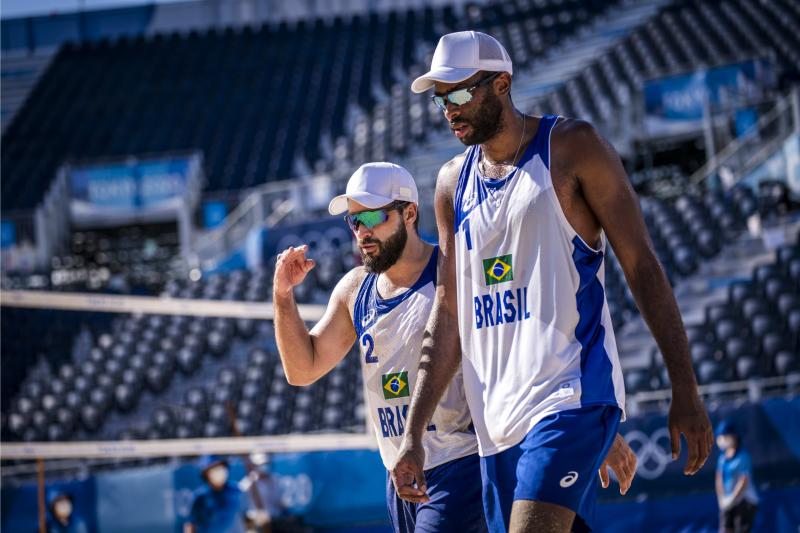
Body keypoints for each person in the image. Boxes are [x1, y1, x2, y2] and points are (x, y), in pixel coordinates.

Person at [392, 31, 713, 533]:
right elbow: (449, 315)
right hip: (497, 422)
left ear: (502, 83)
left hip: (569, 397)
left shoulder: (571, 147)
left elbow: (642, 266)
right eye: (440, 99)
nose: (448, 109)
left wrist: (685, 386)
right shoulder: (451, 184)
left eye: (458, 93)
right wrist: (414, 432)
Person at [273, 162, 638, 532]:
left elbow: (524, 344)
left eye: (373, 216)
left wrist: (586, 420)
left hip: (463, 460)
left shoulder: (455, 271)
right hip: (401, 471)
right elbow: (303, 369)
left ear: (410, 213)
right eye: (354, 221)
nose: (363, 231)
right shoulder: (355, 289)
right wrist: (283, 297)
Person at [184, 455, 269, 533]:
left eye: (221, 467)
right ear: (206, 473)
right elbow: (190, 525)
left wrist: (256, 518)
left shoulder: (236, 490)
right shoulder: (200, 498)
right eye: (214, 468)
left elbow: (245, 518)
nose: (219, 471)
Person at [716, 421, 758, 533]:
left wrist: (732, 499)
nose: (722, 440)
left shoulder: (743, 456)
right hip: (727, 501)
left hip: (745, 501)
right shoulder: (722, 458)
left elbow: (744, 480)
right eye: (720, 436)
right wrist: (722, 499)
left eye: (725, 436)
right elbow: (719, 478)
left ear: (733, 436)